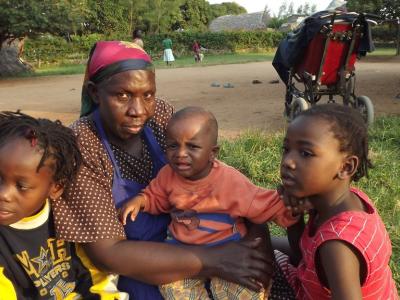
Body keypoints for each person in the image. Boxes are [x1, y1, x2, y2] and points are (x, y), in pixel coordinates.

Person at [50, 41, 296, 300]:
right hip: (146, 273)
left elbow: (222, 180)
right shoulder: (81, 145)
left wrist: (257, 251)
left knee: (283, 272)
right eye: (122, 95)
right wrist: (215, 259)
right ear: (94, 92)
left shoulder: (160, 116)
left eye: (147, 95)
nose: (138, 110)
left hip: (206, 239)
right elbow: (109, 255)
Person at [119, 106, 298, 299]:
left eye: (192, 147)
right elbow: (157, 196)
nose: (180, 153)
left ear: (213, 153)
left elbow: (263, 204)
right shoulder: (168, 176)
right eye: (173, 146)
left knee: (243, 291)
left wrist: (290, 206)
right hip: (184, 253)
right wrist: (142, 200)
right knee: (173, 289)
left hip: (231, 251)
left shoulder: (230, 181)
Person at [0, 111, 127, 299]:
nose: (3, 194)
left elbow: (96, 277)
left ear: (55, 188)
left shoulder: (65, 216)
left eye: (22, 186)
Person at [276, 104, 398, 299]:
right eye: (286, 149)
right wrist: (295, 217)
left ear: (346, 167)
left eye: (306, 153)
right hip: (309, 280)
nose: (288, 161)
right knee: (254, 244)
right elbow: (304, 255)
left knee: (251, 262)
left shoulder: (337, 247)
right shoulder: (343, 201)